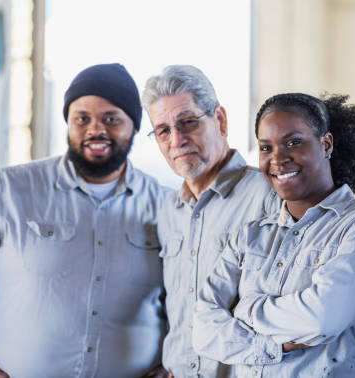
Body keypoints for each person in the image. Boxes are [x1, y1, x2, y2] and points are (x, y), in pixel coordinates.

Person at [0, 63, 171, 377]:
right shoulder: (7, 190)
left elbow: (190, 296)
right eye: (82, 119)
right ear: (68, 124)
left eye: (111, 119)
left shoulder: (166, 206)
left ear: (135, 127)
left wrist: (177, 363)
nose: (96, 130)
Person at [192, 93, 355, 377]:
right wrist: (268, 346)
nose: (278, 159)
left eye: (293, 142)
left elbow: (321, 318)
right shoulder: (250, 235)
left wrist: (246, 309)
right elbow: (203, 328)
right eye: (266, 148)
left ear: (326, 144)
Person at [141, 65, 280, 377]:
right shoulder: (169, 211)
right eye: (163, 130)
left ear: (220, 119)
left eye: (187, 122)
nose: (176, 140)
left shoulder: (268, 196)